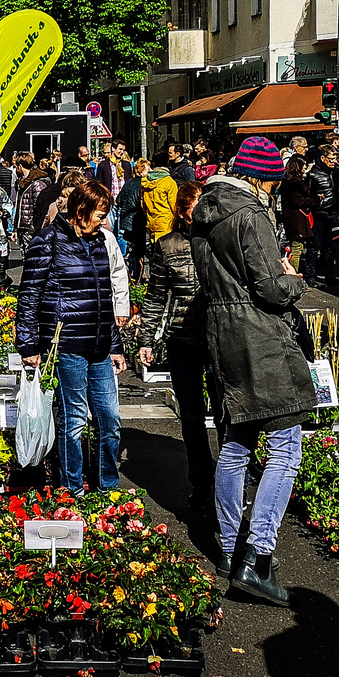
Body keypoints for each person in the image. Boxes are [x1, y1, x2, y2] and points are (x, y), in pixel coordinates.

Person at [191, 136, 312, 608]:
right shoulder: (251, 213)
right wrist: (294, 281)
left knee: (236, 441)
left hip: (222, 332)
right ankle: (258, 557)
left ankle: (227, 548)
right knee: (285, 446)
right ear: (263, 178)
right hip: (260, 335)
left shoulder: (205, 210)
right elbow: (269, 287)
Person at [16, 180, 129, 496]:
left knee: (110, 419)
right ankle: (72, 488)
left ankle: (108, 485)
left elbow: (104, 297)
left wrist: (116, 346)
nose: (103, 221)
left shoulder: (99, 242)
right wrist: (28, 344)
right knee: (74, 421)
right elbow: (29, 296)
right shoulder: (47, 241)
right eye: (99, 214)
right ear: (81, 210)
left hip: (99, 345)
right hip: (66, 345)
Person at [134, 180, 218, 510]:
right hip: (182, 336)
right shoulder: (166, 245)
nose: (200, 215)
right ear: (181, 212)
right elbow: (156, 296)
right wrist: (146, 339)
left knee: (226, 413)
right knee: (192, 414)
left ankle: (228, 481)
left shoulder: (218, 239)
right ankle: (201, 481)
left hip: (217, 336)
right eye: (193, 209)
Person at [307, 145, 339, 289]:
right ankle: (310, 276)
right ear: (323, 158)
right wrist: (316, 203)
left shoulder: (337, 173)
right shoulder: (313, 174)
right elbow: (309, 194)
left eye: (336, 158)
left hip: (334, 214)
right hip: (319, 215)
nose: (334, 161)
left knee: (331, 247)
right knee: (314, 247)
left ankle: (329, 275)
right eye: (331, 158)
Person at [279, 157, 316, 282]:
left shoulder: (289, 181)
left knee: (295, 247)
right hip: (296, 219)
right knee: (297, 248)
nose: (305, 169)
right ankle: (293, 277)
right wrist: (314, 200)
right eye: (303, 166)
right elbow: (297, 201)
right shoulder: (294, 183)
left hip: (294, 219)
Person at [15, 158, 53, 252]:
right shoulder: (23, 182)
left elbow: (40, 207)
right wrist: (16, 227)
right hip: (23, 226)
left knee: (33, 254)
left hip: (31, 227)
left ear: (20, 166)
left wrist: (35, 227)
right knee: (26, 256)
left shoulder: (37, 183)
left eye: (16, 166)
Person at [141, 159, 179, 243]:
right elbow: (174, 205)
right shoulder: (169, 182)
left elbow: (143, 205)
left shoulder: (145, 182)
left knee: (154, 251)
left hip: (151, 222)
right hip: (166, 223)